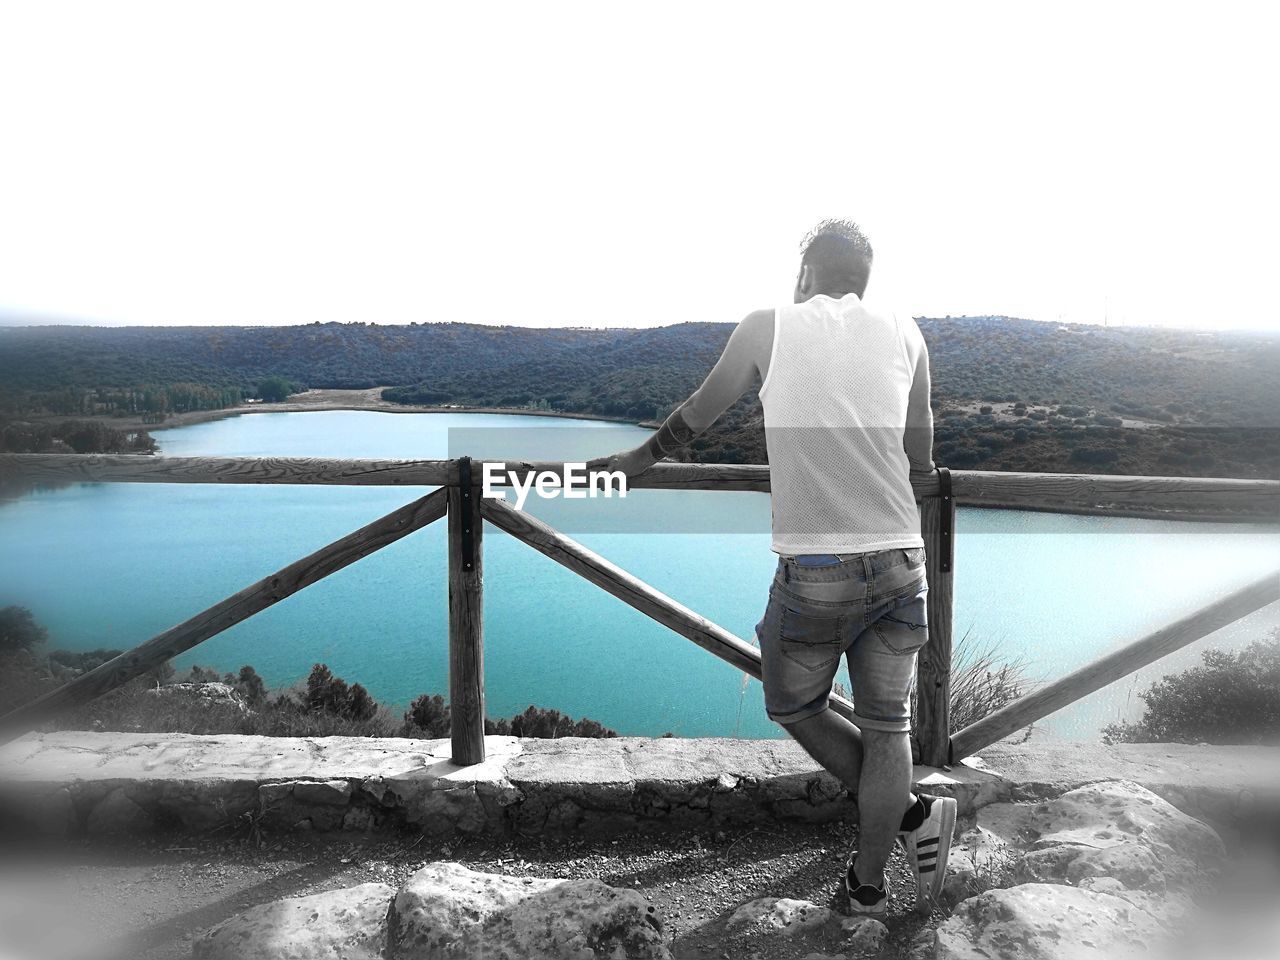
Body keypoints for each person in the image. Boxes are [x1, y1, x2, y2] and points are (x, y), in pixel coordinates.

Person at [589, 219, 956, 915]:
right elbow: (921, 440)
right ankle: (870, 883)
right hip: (903, 558)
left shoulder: (768, 325)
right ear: (865, 279)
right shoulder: (908, 332)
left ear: (807, 274)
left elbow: (698, 412)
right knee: (889, 728)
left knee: (791, 702)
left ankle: (908, 813)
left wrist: (635, 463)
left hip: (818, 567)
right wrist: (923, 476)